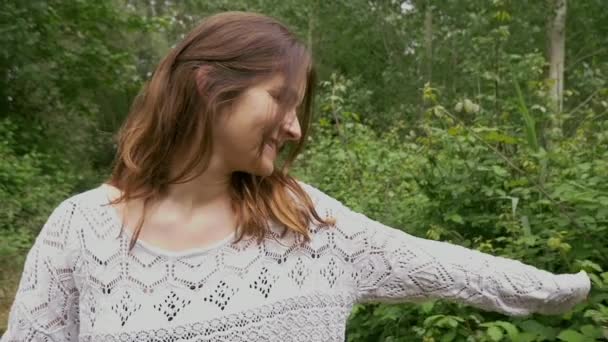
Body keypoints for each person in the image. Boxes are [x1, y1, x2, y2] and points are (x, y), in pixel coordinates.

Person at [2, 11, 590, 342]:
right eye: (280, 100)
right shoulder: (81, 229)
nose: (294, 129)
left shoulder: (307, 223)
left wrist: (563, 288)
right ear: (209, 85)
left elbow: (444, 265)